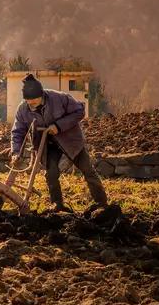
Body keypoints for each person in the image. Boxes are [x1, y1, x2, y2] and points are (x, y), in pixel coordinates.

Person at [10, 73, 107, 212]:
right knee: (51, 174)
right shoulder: (23, 109)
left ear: (41, 95)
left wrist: (58, 126)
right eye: (28, 101)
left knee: (87, 170)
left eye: (34, 101)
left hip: (70, 140)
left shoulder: (59, 98)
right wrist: (15, 152)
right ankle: (57, 204)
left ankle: (102, 203)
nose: (31, 104)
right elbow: (17, 132)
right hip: (47, 145)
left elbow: (79, 111)